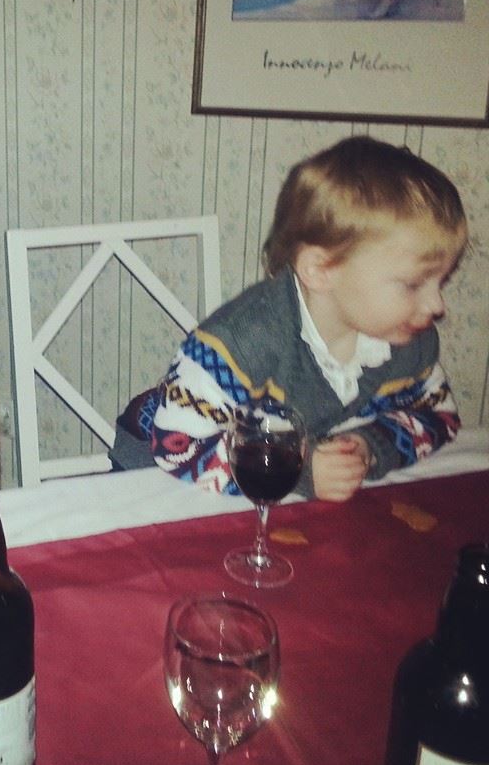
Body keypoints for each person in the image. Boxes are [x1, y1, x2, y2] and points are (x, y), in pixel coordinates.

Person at [111, 136, 466, 502]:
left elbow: (439, 416)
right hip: (161, 469)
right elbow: (178, 445)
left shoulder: (409, 339)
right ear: (320, 270)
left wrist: (369, 446)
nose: (436, 304)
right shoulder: (244, 339)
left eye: (441, 281)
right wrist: (299, 470)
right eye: (413, 284)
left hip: (274, 488)